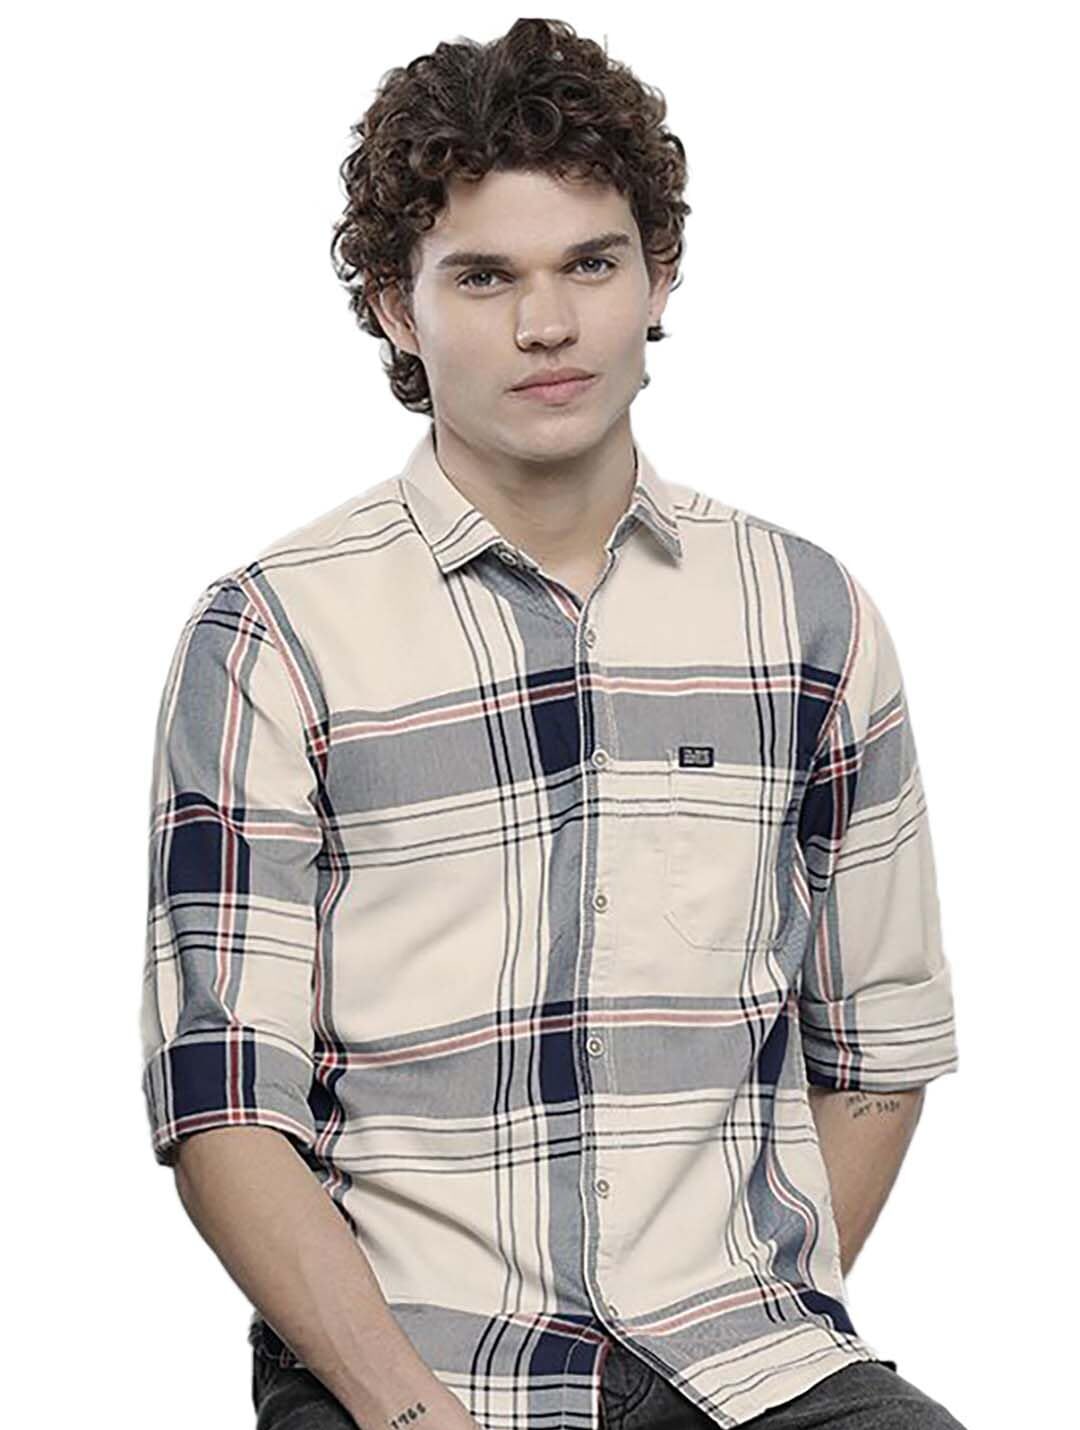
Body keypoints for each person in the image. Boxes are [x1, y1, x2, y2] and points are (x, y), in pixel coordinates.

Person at [140, 19, 965, 1430]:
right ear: (397, 310)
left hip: (749, 1365)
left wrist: (756, 1316)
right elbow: (222, 1105)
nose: (548, 324)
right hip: (409, 1366)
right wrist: (407, 1411)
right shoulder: (274, 637)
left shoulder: (808, 614)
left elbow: (879, 1047)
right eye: (484, 276)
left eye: (591, 263)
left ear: (659, 276)